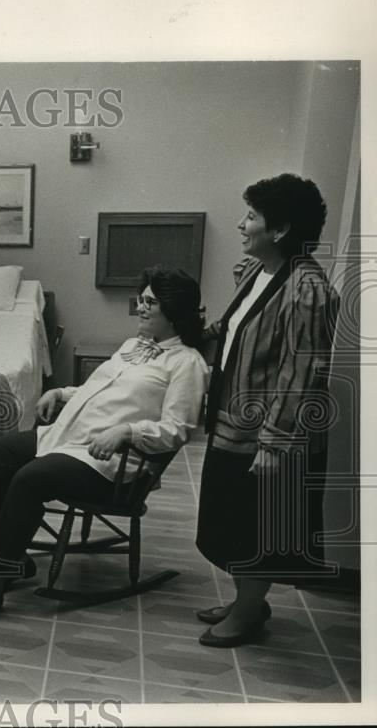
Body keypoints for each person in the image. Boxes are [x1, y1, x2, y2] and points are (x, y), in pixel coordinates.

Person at [0, 265, 209, 625]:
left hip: (109, 464)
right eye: (141, 299)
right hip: (70, 438)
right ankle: (12, 556)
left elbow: (178, 429)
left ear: (174, 312)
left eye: (150, 302)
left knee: (30, 478)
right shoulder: (133, 347)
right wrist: (61, 392)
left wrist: (128, 432)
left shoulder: (187, 363)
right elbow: (101, 390)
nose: (140, 307)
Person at [196, 174, 338, 647]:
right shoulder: (258, 272)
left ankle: (249, 612)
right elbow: (233, 329)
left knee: (256, 529)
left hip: (269, 436)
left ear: (279, 229)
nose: (241, 224)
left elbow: (304, 373)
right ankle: (246, 602)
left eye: (251, 216)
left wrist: (276, 445)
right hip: (235, 426)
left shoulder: (306, 288)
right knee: (233, 524)